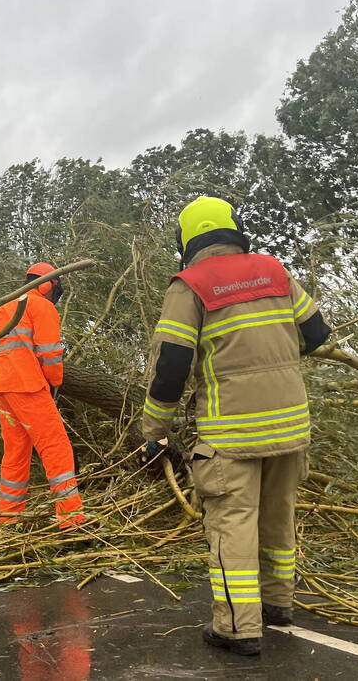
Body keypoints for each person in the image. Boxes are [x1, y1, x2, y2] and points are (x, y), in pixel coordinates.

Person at [141, 196, 331, 656]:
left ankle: (236, 627)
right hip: (290, 424)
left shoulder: (189, 285)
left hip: (232, 433)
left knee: (232, 525)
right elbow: (317, 333)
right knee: (277, 515)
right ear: (234, 228)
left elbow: (171, 366)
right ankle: (278, 603)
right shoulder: (274, 271)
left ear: (185, 240)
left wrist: (154, 432)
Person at [0, 262, 84, 528]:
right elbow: (50, 353)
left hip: (4, 387)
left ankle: (8, 518)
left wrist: (10, 363)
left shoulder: (7, 306)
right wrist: (54, 381)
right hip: (28, 385)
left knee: (16, 452)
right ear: (48, 283)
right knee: (56, 446)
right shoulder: (42, 306)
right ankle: (71, 518)